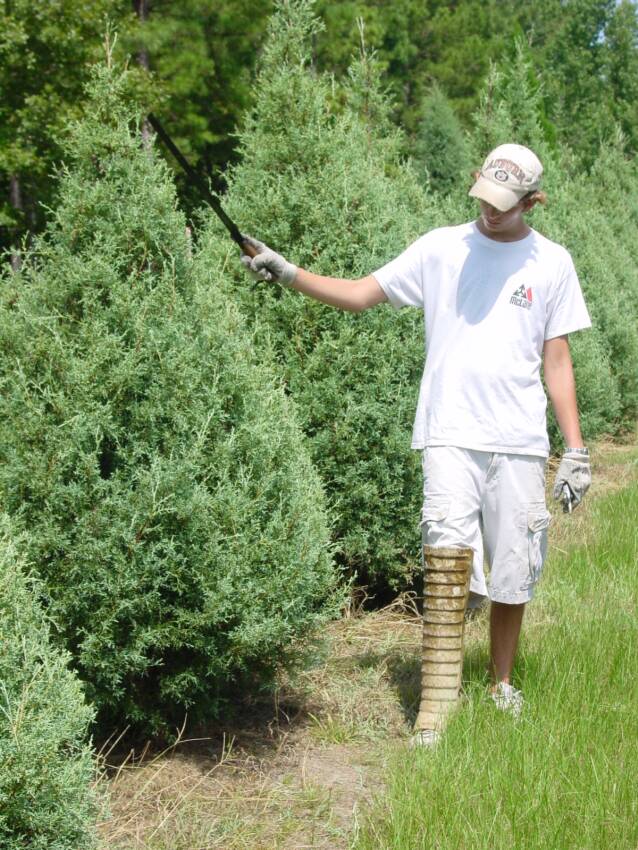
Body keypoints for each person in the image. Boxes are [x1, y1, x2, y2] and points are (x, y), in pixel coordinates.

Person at [239, 143, 592, 746]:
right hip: (449, 430)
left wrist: (576, 448)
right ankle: (437, 701)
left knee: (513, 570)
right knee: (446, 556)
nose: (491, 212)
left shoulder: (551, 263)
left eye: (506, 206)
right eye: (484, 198)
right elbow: (359, 293)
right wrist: (289, 271)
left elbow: (556, 360)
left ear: (534, 202)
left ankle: (500, 683)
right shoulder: (441, 248)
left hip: (520, 439)